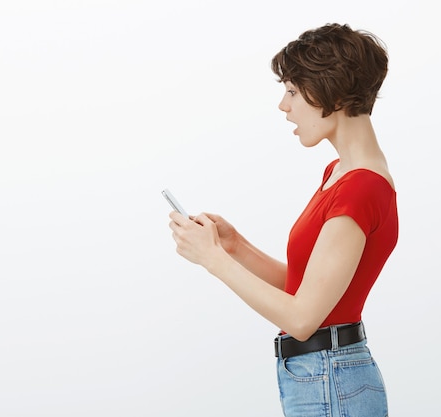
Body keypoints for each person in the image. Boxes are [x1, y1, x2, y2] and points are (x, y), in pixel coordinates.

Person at [168, 23, 397, 417]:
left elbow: (302, 318)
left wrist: (213, 260)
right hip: (323, 375)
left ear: (334, 92)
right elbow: (304, 290)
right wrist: (235, 246)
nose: (283, 105)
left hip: (330, 378)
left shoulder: (360, 187)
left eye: (292, 91)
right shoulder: (340, 174)